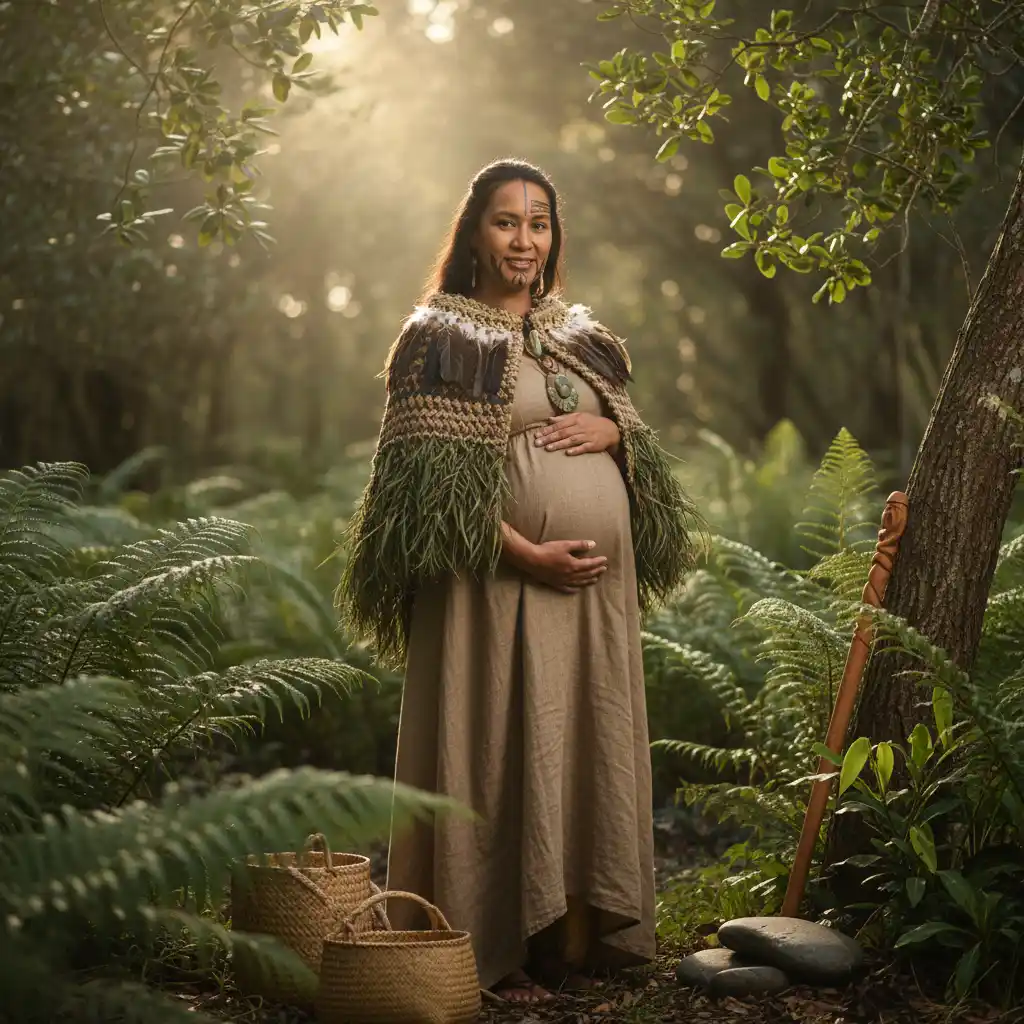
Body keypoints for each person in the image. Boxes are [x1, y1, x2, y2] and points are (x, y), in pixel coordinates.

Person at [337, 159, 702, 1003]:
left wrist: (611, 432)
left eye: (539, 224)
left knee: (576, 746)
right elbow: (419, 489)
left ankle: (568, 939)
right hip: (491, 590)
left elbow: (641, 445)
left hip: (590, 605)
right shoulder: (439, 338)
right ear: (473, 233)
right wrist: (524, 553)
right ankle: (487, 951)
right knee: (497, 753)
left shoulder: (579, 335)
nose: (525, 240)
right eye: (507, 222)